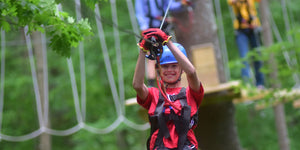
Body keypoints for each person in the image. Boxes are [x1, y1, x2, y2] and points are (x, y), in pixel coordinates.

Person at [133, 28, 204, 150]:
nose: (169, 70)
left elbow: (191, 72)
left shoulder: (191, 93)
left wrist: (168, 42)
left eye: (174, 66)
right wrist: (142, 51)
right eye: (165, 67)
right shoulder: (153, 95)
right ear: (158, 69)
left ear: (181, 69)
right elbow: (137, 85)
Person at [135, 0, 185, 87]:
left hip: (163, 28)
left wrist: (181, 4)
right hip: (150, 28)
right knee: (151, 56)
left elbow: (170, 5)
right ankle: (151, 84)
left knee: (168, 53)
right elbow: (140, 12)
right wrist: (144, 28)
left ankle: (171, 82)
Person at [228, 0, 265, 88]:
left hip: (254, 28)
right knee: (244, 57)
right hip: (240, 30)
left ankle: (260, 84)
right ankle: (247, 84)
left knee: (257, 56)